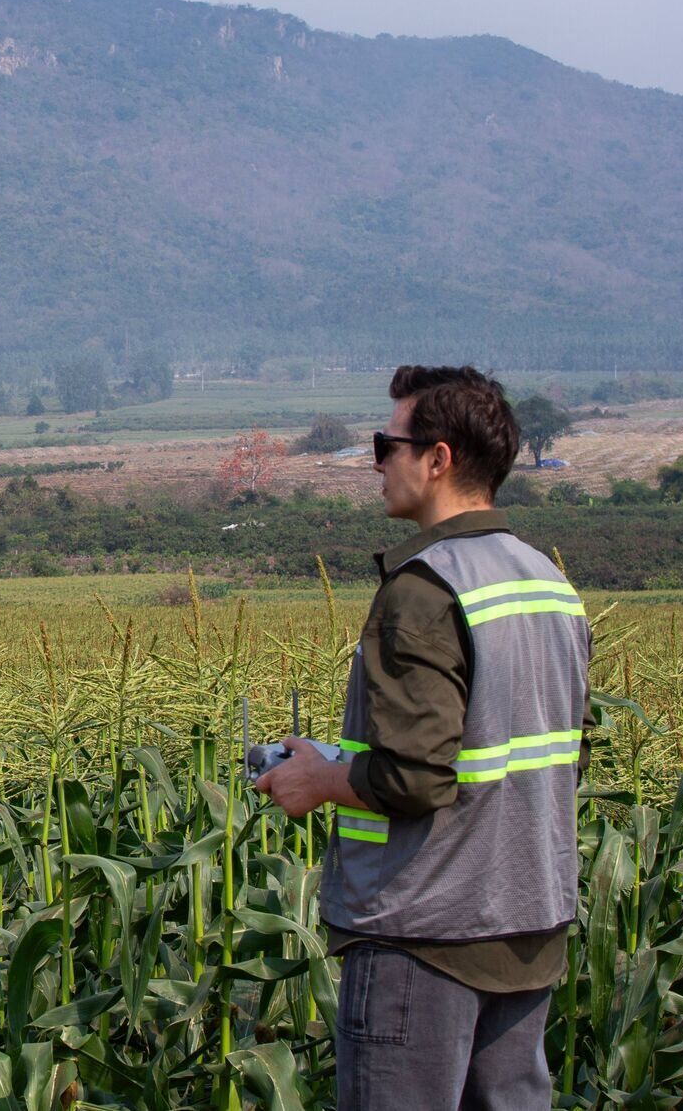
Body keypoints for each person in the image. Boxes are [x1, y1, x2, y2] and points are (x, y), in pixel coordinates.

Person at [252, 365, 591, 1111]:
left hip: (424, 932)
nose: (376, 462)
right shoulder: (547, 583)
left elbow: (415, 776)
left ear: (437, 459)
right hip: (528, 926)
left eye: (387, 443)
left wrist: (319, 778)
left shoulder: (425, 589)